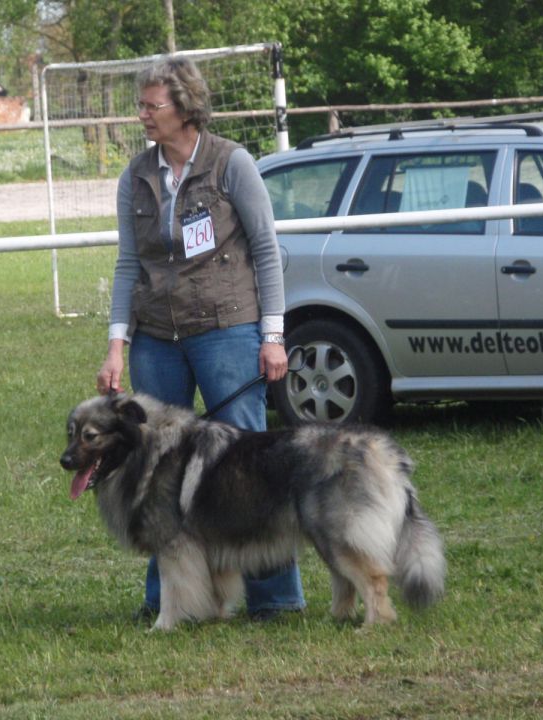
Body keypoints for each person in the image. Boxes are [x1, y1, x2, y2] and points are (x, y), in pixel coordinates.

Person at [96, 55, 305, 621]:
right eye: (140, 105)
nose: (142, 115)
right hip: (156, 339)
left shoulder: (231, 163)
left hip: (227, 330)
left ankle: (276, 599)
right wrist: (118, 344)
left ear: (185, 107)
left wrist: (272, 336)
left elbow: (266, 252)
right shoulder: (135, 176)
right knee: (154, 469)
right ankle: (167, 600)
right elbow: (126, 264)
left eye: (151, 105)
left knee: (248, 468)